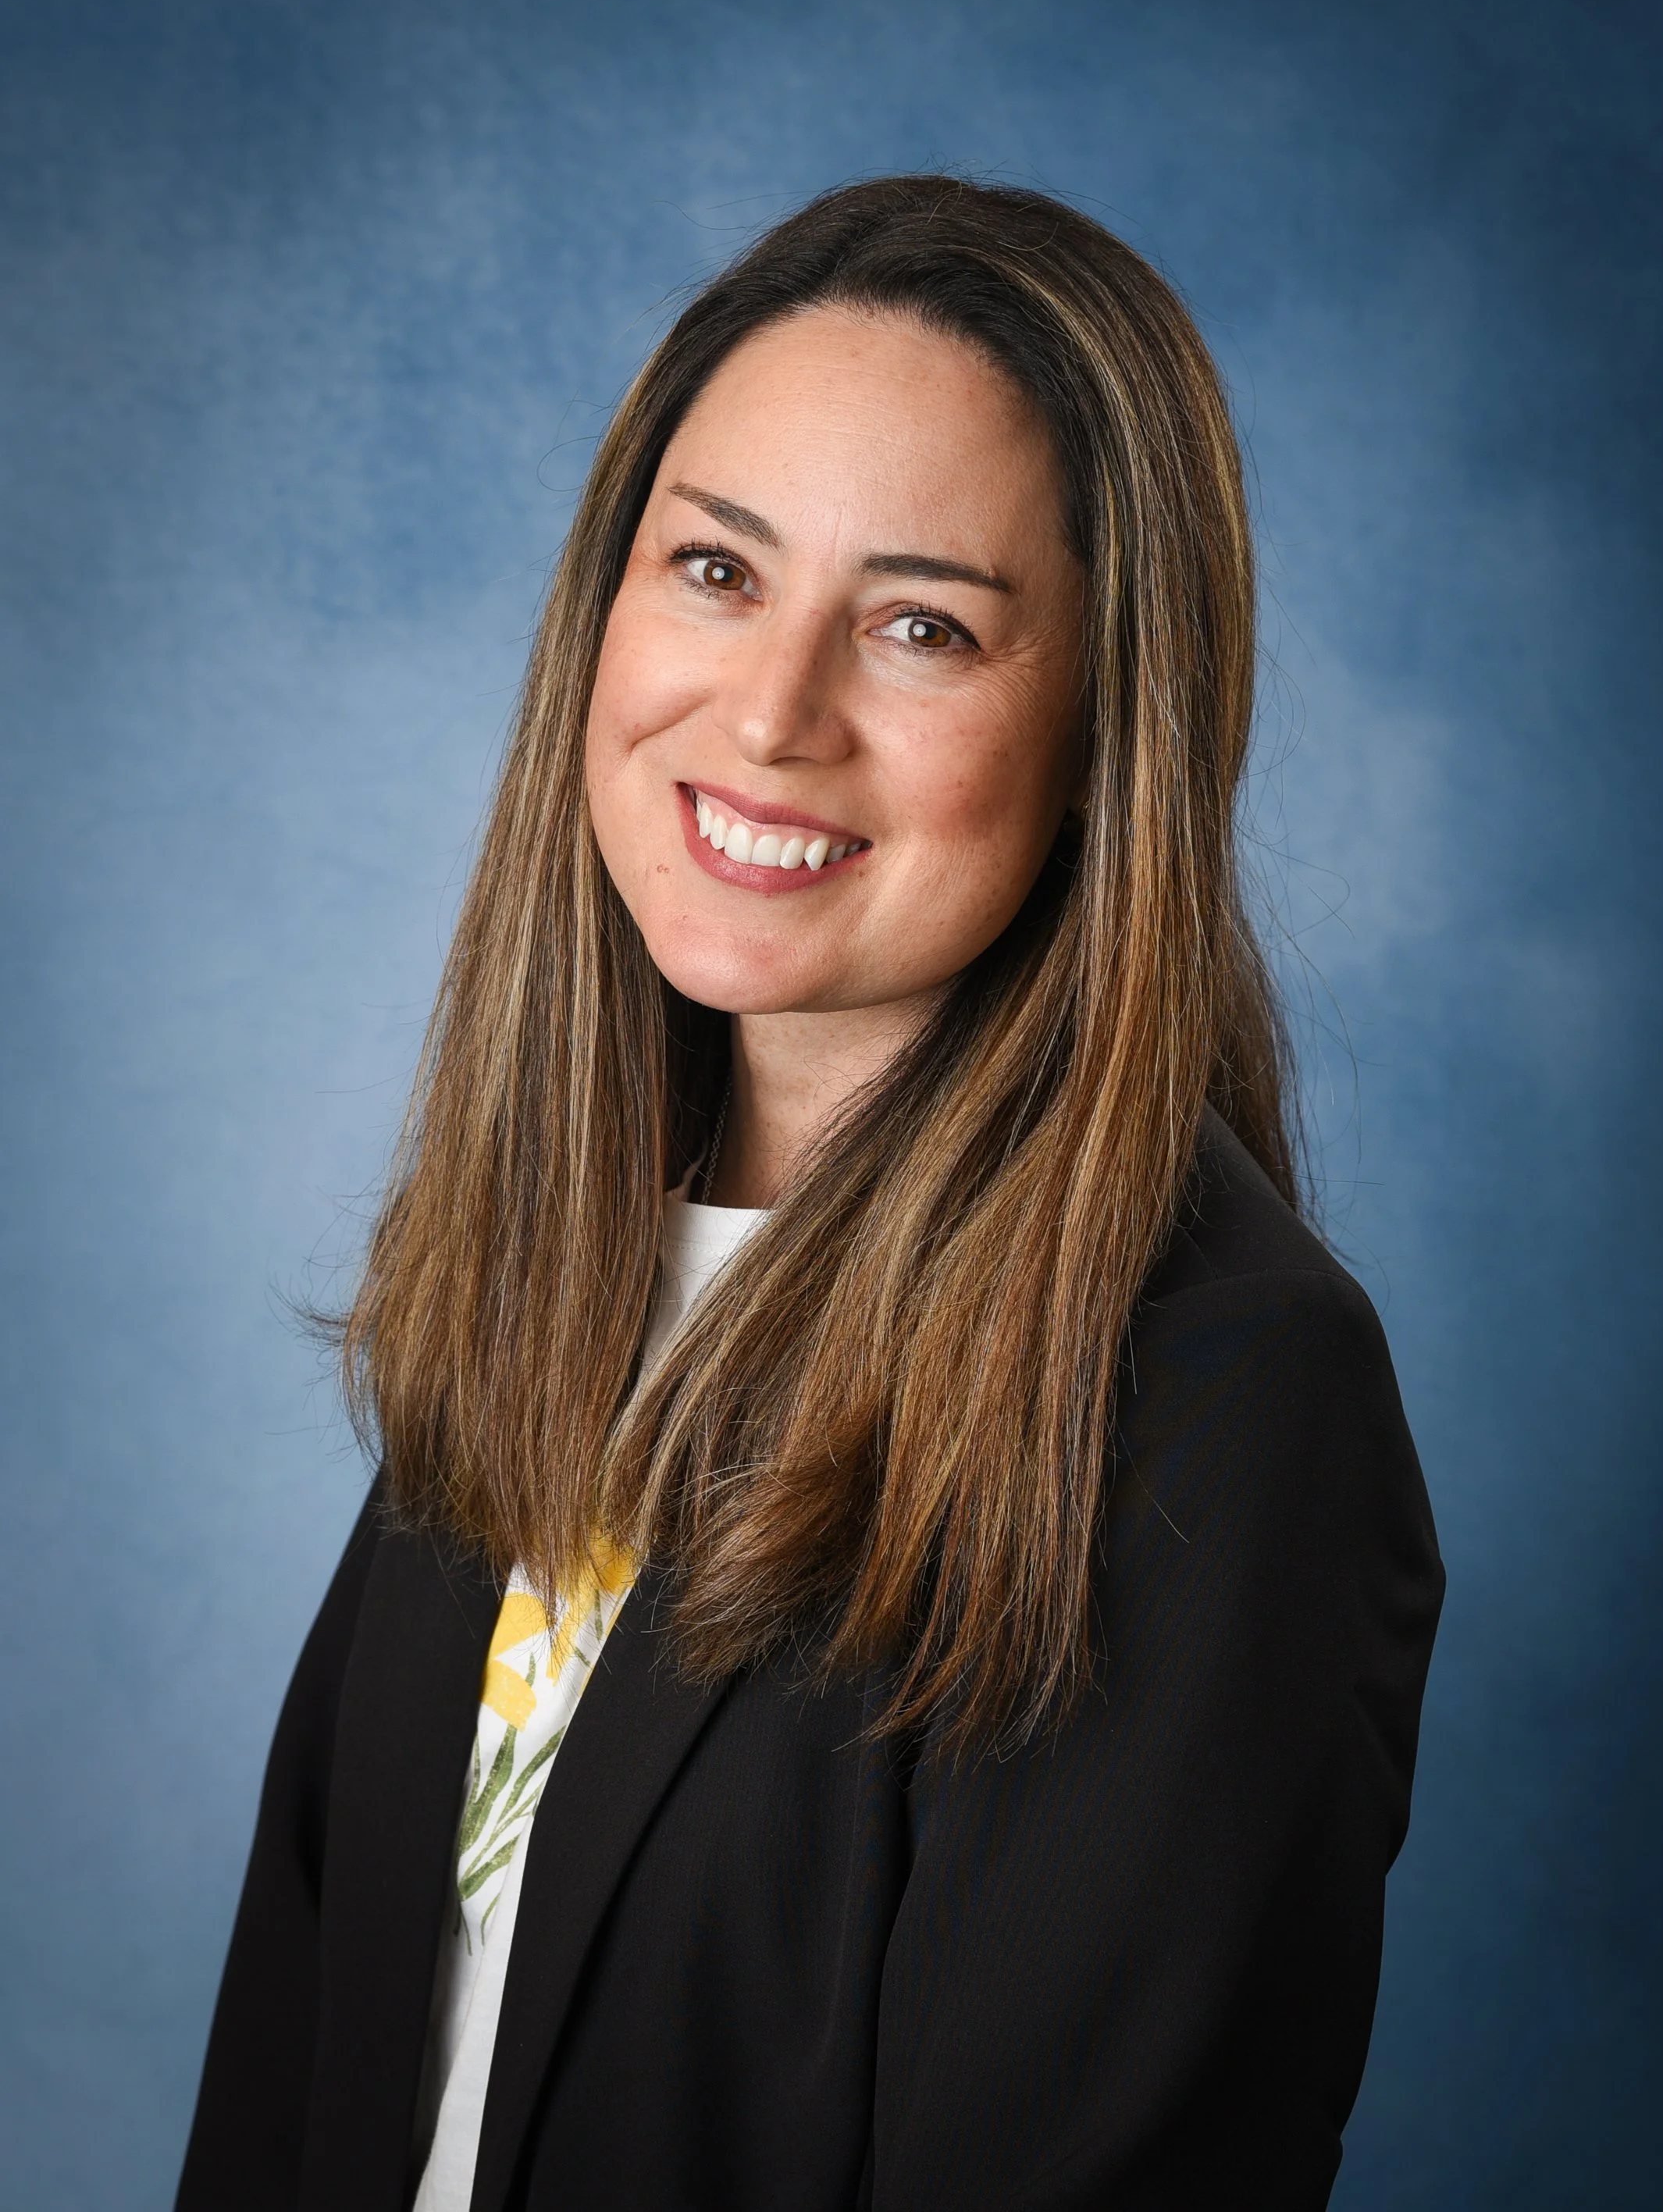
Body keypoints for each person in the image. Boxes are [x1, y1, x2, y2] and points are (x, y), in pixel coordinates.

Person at [176, 175, 1444, 2212]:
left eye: (923, 625)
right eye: (715, 571)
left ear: (1112, 726)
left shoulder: (1220, 1395)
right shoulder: (549, 1266)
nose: (770, 715)